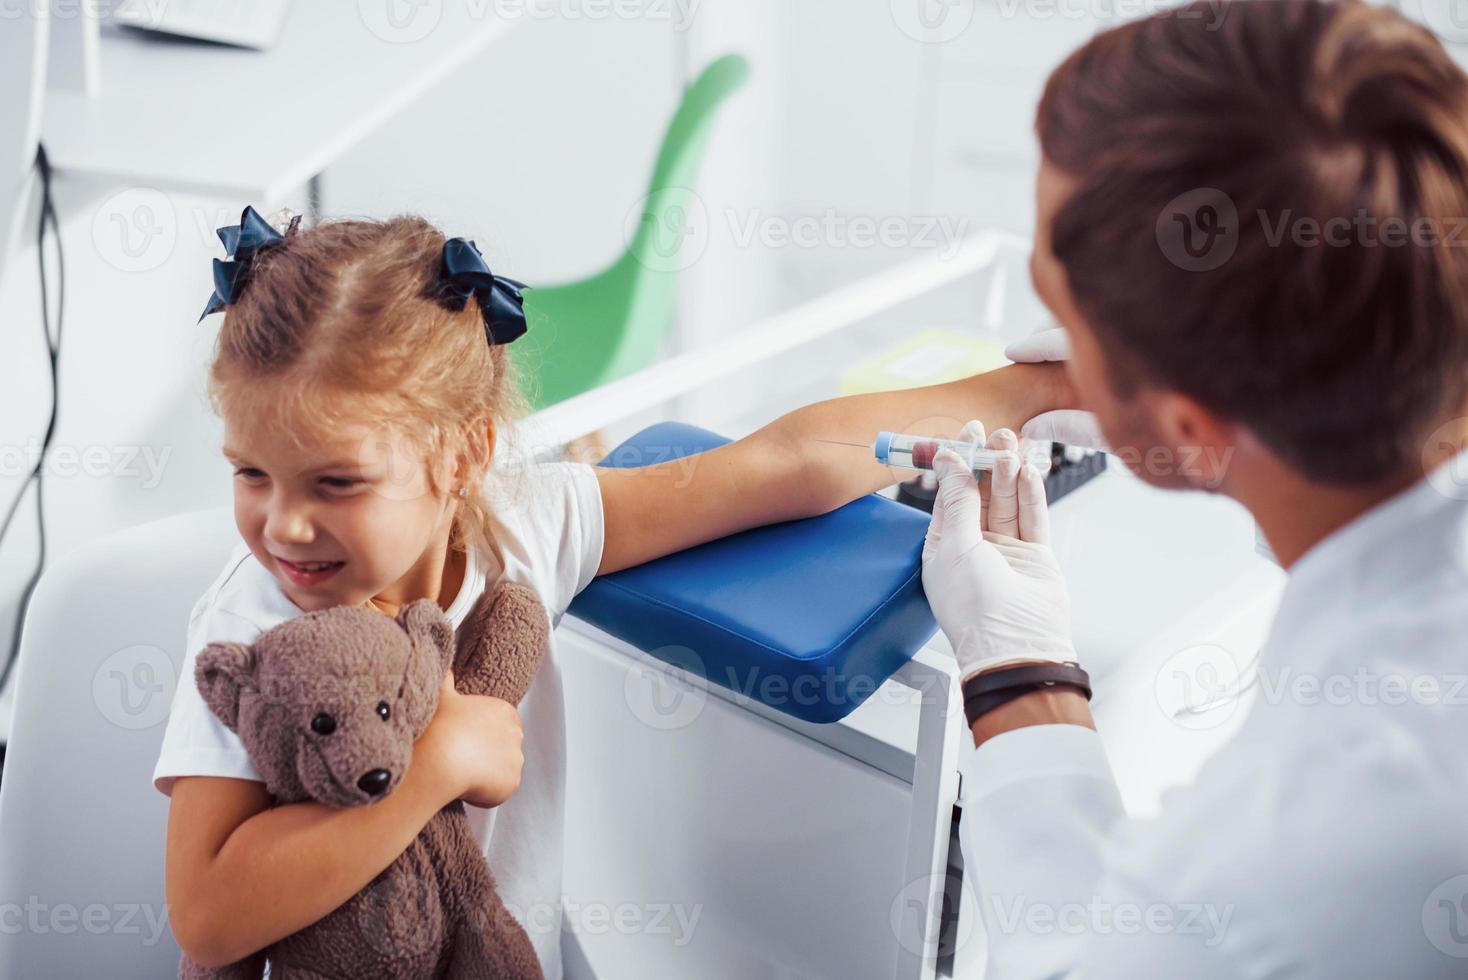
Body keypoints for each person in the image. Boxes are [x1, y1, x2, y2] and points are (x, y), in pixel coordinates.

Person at [152, 207, 1068, 975]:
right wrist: (430, 767)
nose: (283, 526)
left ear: (464, 454)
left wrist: (1035, 387)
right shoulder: (255, 620)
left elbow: (779, 463)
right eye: (251, 475)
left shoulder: (528, 526)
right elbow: (207, 910)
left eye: (335, 483)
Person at [921, 1, 1468, 975]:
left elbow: (1082, 958)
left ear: (1187, 424)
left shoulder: (1304, 836)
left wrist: (1019, 671)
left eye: (1059, 306)